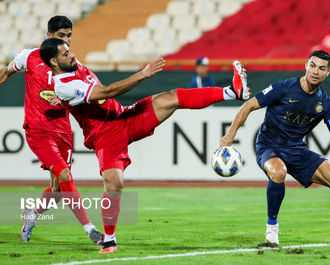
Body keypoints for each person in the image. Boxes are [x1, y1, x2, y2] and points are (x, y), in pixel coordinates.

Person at [39, 38, 250, 253]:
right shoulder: (63, 86)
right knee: (114, 183)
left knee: (170, 98)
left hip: (124, 117)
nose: (72, 55)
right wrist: (143, 74)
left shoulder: (74, 67)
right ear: (54, 62)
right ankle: (109, 240)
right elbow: (106, 92)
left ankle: (232, 92)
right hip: (104, 134)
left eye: (70, 49)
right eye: (65, 54)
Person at [221, 50, 330, 247]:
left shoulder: (325, 103)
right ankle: (272, 229)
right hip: (269, 146)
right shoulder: (283, 88)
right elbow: (248, 105)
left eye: (321, 68)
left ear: (328, 73)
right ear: (305, 65)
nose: (315, 71)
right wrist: (231, 134)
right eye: (312, 65)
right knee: (278, 171)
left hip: (296, 149)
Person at [0, 16, 103, 244]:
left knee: (57, 190)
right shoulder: (29, 57)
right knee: (66, 176)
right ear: (49, 36)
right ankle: (90, 230)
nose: (66, 40)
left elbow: (96, 91)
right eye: (61, 36)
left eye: (69, 36)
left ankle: (32, 214)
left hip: (63, 131)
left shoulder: (73, 64)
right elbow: (7, 71)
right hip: (38, 130)